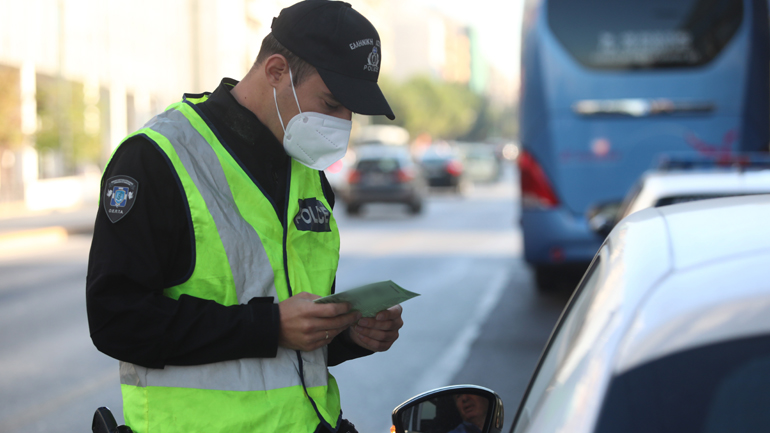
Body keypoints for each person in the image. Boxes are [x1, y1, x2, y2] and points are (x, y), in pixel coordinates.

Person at [85, 1, 403, 432]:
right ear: (275, 71)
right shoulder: (158, 158)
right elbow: (116, 321)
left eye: (351, 111)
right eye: (331, 103)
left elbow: (291, 345)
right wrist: (269, 326)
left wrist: (347, 336)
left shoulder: (307, 172)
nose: (342, 122)